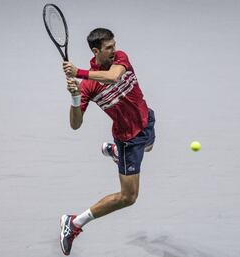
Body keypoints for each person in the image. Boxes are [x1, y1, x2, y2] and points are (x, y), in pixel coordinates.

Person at [59, 28, 156, 255]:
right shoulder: (89, 87)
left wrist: (78, 72)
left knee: (149, 145)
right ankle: (73, 223)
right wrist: (75, 98)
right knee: (128, 197)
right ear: (96, 51)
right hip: (128, 140)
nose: (114, 50)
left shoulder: (120, 58)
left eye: (114, 45)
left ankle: (113, 153)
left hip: (146, 119)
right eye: (108, 48)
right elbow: (75, 125)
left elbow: (113, 76)